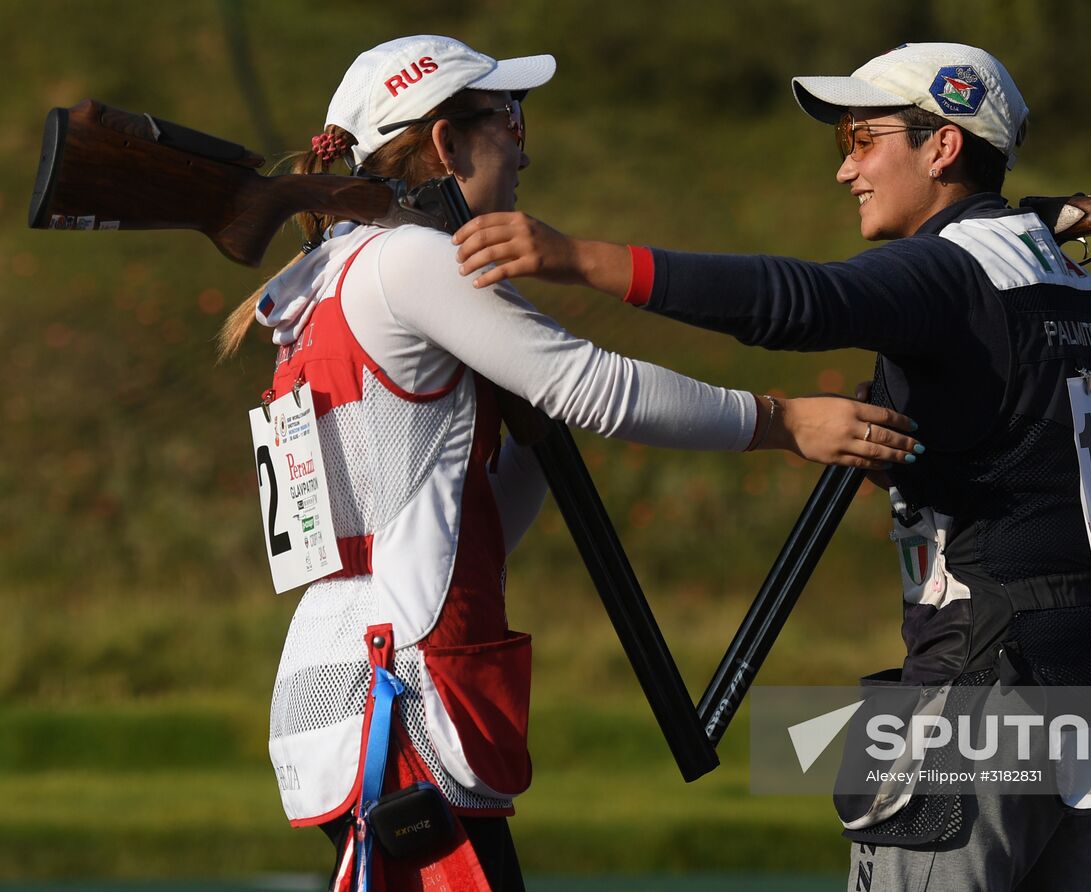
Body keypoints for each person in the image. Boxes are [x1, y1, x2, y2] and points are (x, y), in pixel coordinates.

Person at [450, 42, 1091, 892]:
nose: (847, 171)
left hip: (991, 677)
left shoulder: (950, 271)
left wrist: (581, 260)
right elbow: (1025, 455)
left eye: (862, 141)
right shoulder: (1068, 284)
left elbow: (798, 301)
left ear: (942, 147)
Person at [216, 35, 919, 892]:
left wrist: (535, 428)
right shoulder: (407, 259)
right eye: (507, 118)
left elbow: (468, 525)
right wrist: (781, 420)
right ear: (444, 143)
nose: (521, 144)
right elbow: (599, 387)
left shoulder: (321, 278)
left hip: (355, 688)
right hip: (402, 700)